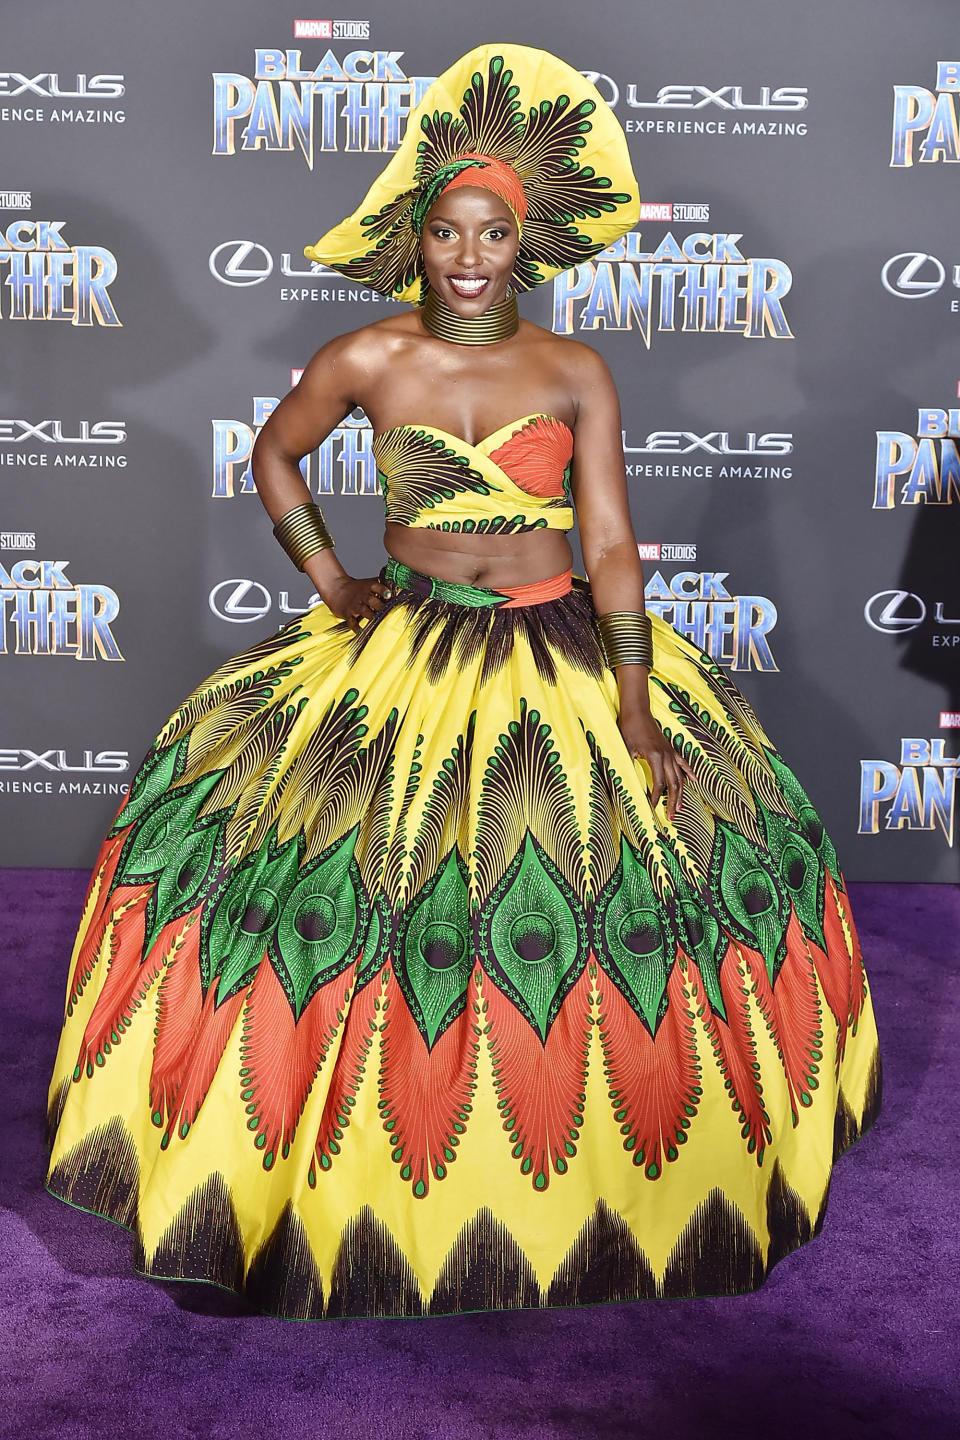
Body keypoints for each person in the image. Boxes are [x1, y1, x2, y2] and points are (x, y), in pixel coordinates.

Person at [45, 45, 880, 1319]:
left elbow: (606, 543)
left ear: (525, 241)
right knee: (344, 894)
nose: (471, 254)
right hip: (405, 646)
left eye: (494, 232)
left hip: (560, 648)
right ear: (416, 239)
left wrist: (640, 707)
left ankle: (594, 1187)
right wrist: (333, 588)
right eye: (448, 231)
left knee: (599, 889)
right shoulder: (368, 358)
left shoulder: (572, 372)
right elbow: (276, 458)